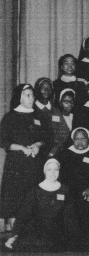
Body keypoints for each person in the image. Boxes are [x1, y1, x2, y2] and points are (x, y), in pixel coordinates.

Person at [1, 84, 51, 232]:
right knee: (15, 193)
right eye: (28, 95)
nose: (31, 98)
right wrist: (22, 148)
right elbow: (3, 140)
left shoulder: (39, 115)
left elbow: (47, 137)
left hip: (34, 161)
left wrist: (37, 145)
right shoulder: (10, 117)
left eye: (32, 95)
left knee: (32, 191)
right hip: (16, 163)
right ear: (20, 97)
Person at [2, 159, 80, 252]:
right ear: (44, 171)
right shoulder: (35, 191)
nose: (53, 173)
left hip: (57, 232)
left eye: (56, 169)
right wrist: (15, 235)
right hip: (37, 233)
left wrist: (75, 238)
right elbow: (23, 215)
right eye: (49, 169)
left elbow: (70, 217)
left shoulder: (65, 190)